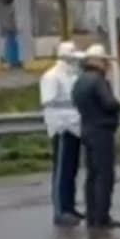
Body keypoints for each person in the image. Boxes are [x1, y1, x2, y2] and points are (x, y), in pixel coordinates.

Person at [70, 44, 120, 229]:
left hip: (87, 128)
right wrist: (117, 106)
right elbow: (109, 103)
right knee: (104, 175)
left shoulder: (79, 81)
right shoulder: (98, 81)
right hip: (102, 130)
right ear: (98, 62)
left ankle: (92, 214)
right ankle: (102, 216)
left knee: (91, 175)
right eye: (104, 61)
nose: (107, 65)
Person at [39, 41, 84, 226]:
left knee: (72, 170)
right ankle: (60, 211)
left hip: (76, 126)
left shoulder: (73, 76)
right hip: (62, 128)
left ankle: (70, 207)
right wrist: (62, 122)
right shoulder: (51, 77)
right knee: (62, 171)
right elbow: (49, 103)